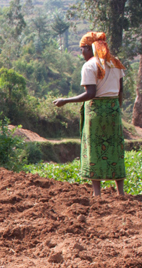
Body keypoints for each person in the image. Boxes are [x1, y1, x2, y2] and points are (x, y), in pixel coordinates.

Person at [53, 32, 126, 196]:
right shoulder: (115, 63)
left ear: (89, 48)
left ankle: (97, 193)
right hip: (113, 109)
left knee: (94, 147)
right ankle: (121, 192)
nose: (81, 54)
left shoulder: (90, 66)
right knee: (115, 147)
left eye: (82, 50)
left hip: (96, 111)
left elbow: (90, 93)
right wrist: (116, 107)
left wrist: (66, 100)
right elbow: (120, 91)